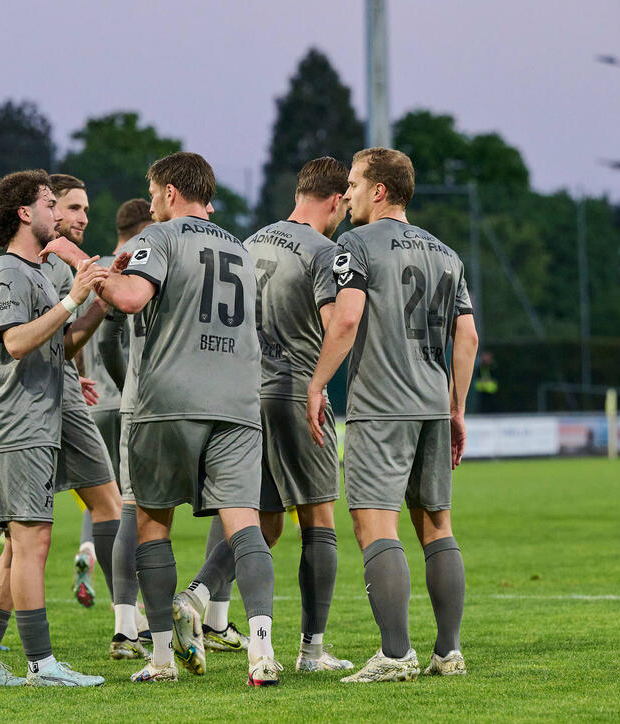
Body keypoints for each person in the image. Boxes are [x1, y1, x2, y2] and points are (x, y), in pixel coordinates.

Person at [55, 152, 281, 686]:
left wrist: (81, 263)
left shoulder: (157, 238)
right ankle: (262, 654)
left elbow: (131, 298)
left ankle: (159, 659)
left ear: (172, 193)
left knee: (153, 524)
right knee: (245, 525)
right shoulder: (242, 249)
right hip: (237, 404)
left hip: (168, 402)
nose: (152, 202)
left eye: (154, 192)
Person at [307, 147, 478, 683]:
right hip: (431, 405)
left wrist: (316, 383)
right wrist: (456, 407)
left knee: (373, 525)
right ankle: (448, 653)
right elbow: (467, 336)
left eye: (355, 183)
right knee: (437, 526)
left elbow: (348, 318)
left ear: (379, 190)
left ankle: (395, 654)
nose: (348, 193)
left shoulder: (354, 243)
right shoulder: (446, 253)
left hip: (381, 405)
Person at [0, 169, 109, 688]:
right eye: (49, 204)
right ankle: (42, 665)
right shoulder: (7, 271)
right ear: (26, 214)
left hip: (34, 418)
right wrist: (74, 299)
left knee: (20, 545)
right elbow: (16, 342)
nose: (58, 214)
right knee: (33, 541)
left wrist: (70, 371)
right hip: (18, 423)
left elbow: (47, 343)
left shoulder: (35, 271)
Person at [244, 156, 354, 674]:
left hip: (247, 392)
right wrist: (319, 383)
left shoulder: (253, 241)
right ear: (334, 201)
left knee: (260, 524)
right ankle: (312, 650)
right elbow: (340, 325)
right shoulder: (327, 252)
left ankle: (197, 596)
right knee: (319, 521)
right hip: (293, 390)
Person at [40, 174, 122, 613]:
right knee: (17, 531)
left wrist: (70, 371)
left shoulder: (44, 262)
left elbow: (58, 342)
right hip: (40, 406)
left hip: (63, 395)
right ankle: (129, 619)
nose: (83, 217)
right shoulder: (47, 263)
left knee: (17, 531)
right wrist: (101, 303)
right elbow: (52, 338)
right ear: (49, 207)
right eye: (74, 208)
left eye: (87, 210)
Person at [82, 197, 154, 659]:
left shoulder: (92, 267)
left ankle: (89, 547)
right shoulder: (138, 266)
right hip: (126, 398)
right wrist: (130, 386)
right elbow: (111, 338)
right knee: (131, 505)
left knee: (108, 498)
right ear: (145, 226)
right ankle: (134, 621)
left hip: (86, 400)